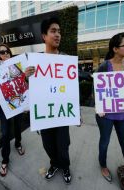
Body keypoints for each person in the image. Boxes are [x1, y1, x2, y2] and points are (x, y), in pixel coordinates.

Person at [25, 17, 72, 184]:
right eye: (53, 31)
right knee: (48, 145)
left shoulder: (66, 60)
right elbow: (30, 89)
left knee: (63, 144)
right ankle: (54, 164)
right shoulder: (35, 61)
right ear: (44, 36)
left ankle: (65, 166)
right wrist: (26, 77)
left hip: (61, 113)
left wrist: (76, 112)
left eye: (59, 31)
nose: (57, 35)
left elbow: (72, 89)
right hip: (44, 114)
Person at [95, 32, 124, 183]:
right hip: (106, 116)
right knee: (104, 142)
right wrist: (99, 107)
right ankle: (103, 165)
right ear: (115, 49)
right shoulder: (104, 66)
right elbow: (97, 88)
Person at [0, 44, 25, 177]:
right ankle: (5, 159)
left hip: (17, 102)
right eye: (2, 52)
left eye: (7, 51)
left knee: (18, 126)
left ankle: (18, 143)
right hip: (3, 105)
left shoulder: (16, 65)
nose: (5, 53)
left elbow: (24, 82)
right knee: (6, 132)